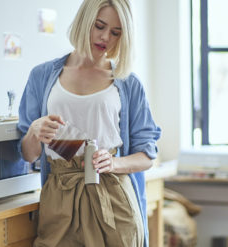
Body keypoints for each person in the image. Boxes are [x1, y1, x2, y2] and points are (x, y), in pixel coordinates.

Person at [18, 0, 161, 246]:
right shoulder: (42, 76)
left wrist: (114, 162)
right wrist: (33, 132)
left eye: (116, 32)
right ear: (85, 21)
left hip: (113, 197)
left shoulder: (128, 83)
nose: (106, 37)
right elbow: (27, 155)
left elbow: (147, 155)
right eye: (100, 26)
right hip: (59, 198)